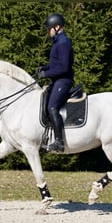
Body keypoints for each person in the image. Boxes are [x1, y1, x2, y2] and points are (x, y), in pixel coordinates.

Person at [36, 13, 74, 152]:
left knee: (52, 107)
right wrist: (44, 68)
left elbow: (63, 67)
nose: (48, 31)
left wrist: (46, 74)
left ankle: (59, 142)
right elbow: (56, 64)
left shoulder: (63, 42)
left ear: (57, 27)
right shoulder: (58, 42)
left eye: (49, 29)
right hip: (57, 80)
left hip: (64, 81)